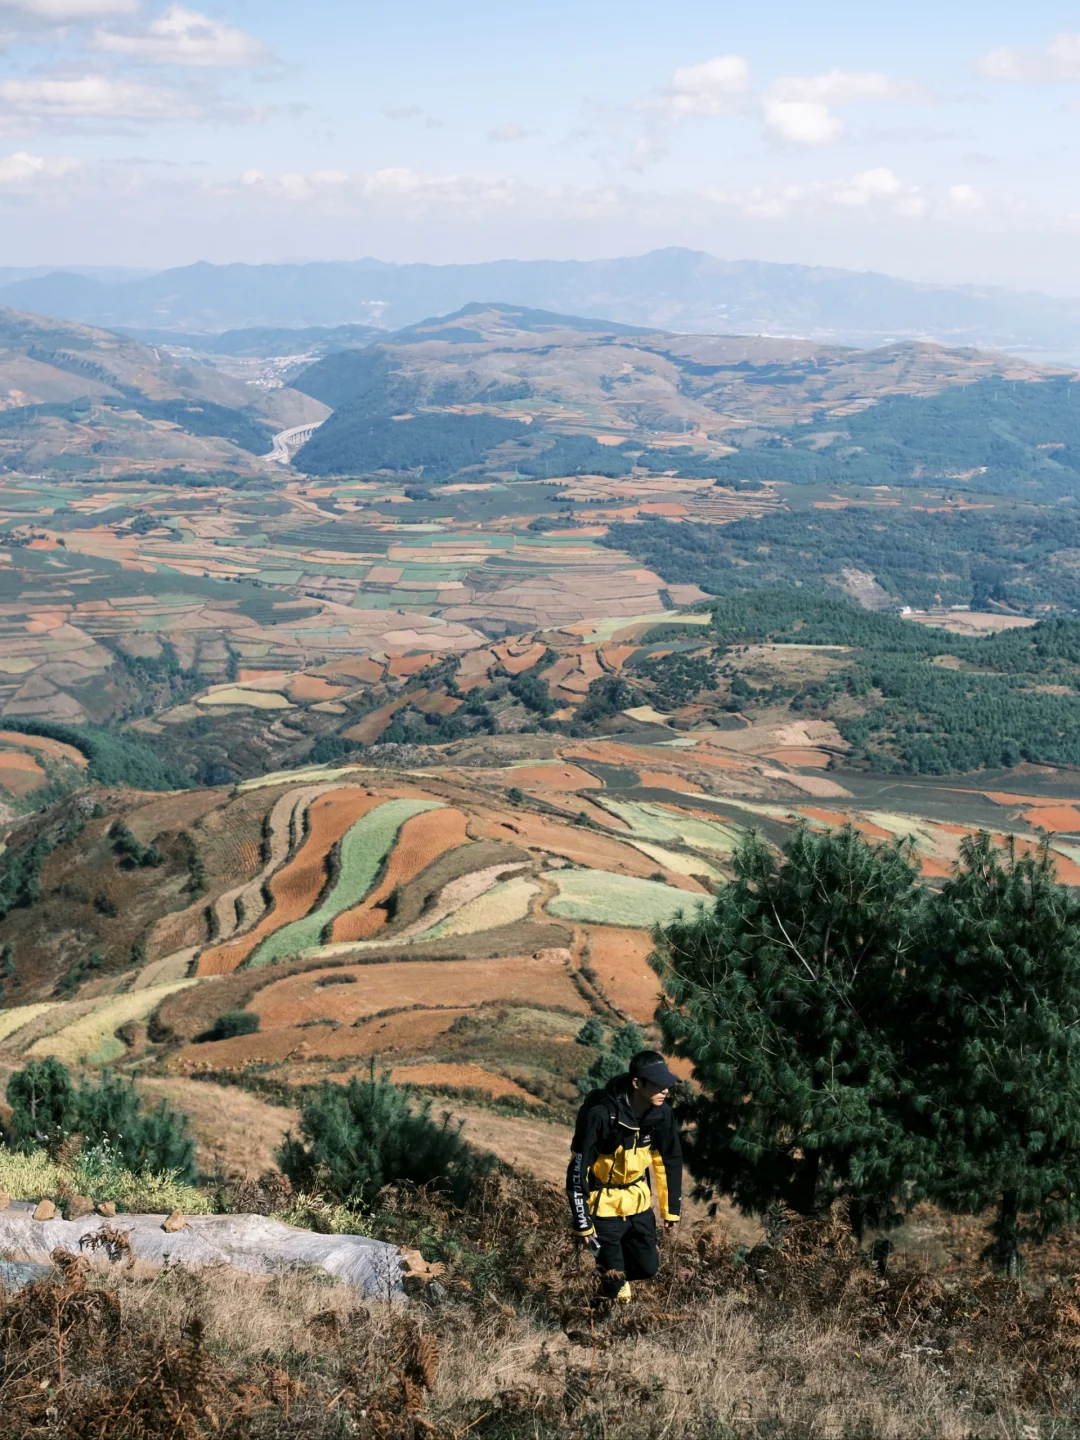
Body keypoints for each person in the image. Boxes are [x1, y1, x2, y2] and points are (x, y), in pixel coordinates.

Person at [566, 1049, 683, 1302]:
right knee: (615, 1283)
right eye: (658, 1084)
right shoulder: (603, 1115)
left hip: (639, 1206)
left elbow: (669, 1161)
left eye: (667, 1084)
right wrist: (582, 1222)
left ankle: (611, 1287)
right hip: (603, 1208)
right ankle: (595, 1325)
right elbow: (578, 1168)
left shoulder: (662, 1115)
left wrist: (671, 1210)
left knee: (647, 1267)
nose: (665, 1090)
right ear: (637, 1083)